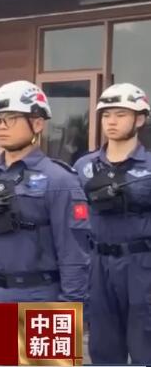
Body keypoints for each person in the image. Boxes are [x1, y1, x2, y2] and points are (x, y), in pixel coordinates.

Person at [0, 80, 89, 304]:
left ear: (37, 124)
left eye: (10, 119)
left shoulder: (59, 180)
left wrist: (70, 307)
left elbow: (74, 255)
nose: (1, 127)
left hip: (38, 295)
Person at [73, 83, 151, 364]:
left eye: (120, 114)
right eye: (106, 115)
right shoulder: (83, 166)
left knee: (145, 344)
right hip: (98, 265)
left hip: (142, 265)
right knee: (103, 346)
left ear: (139, 119)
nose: (111, 121)